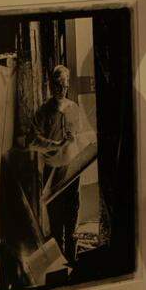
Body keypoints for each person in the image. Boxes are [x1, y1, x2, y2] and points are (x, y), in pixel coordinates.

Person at [29, 64, 91, 264]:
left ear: (67, 86)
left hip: (71, 169)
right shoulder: (43, 111)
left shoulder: (74, 108)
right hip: (53, 170)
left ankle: (71, 258)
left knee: (72, 212)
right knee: (55, 215)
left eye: (64, 85)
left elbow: (83, 135)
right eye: (57, 85)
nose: (60, 89)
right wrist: (55, 144)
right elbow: (33, 140)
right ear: (51, 85)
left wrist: (76, 139)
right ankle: (59, 260)